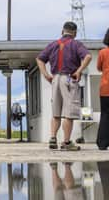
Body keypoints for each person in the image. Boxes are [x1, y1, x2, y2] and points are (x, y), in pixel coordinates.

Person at [37, 21, 92, 151]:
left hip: (55, 78)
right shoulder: (76, 44)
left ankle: (52, 138)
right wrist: (79, 71)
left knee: (56, 112)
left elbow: (39, 59)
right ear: (75, 33)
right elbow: (88, 56)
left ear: (62, 31)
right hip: (69, 78)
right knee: (69, 113)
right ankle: (66, 142)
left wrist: (46, 74)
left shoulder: (53, 45)